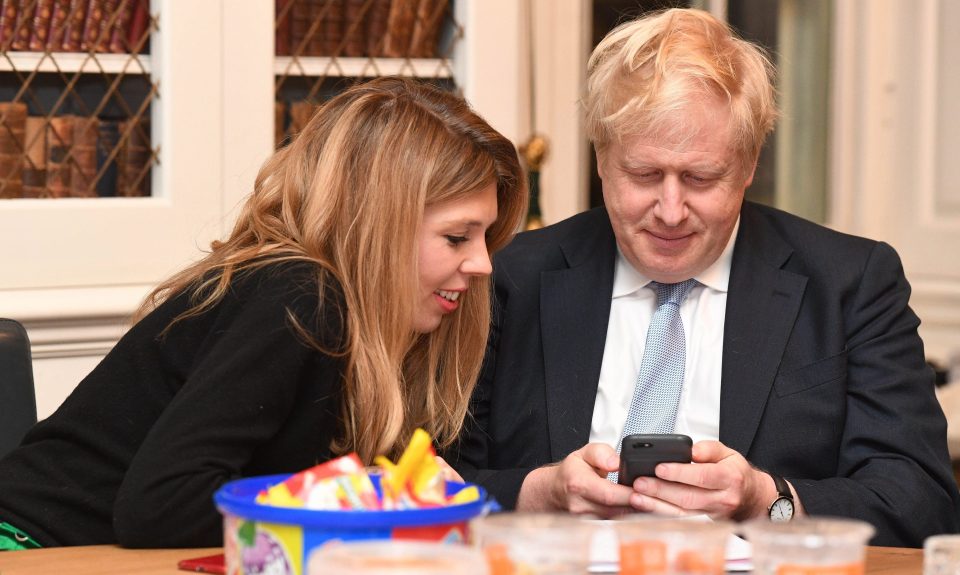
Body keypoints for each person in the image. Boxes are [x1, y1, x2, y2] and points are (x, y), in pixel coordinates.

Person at [448, 8, 960, 547]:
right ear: (601, 159)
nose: (671, 210)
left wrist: (769, 501)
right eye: (644, 175)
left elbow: (922, 501)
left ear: (748, 164)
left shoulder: (850, 283)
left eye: (700, 177)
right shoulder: (510, 275)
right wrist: (539, 494)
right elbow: (432, 481)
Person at [0, 76, 527, 549]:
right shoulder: (302, 297)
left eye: (485, 238)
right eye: (457, 237)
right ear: (376, 227)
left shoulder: (378, 318)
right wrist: (367, 500)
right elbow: (159, 507)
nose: (482, 264)